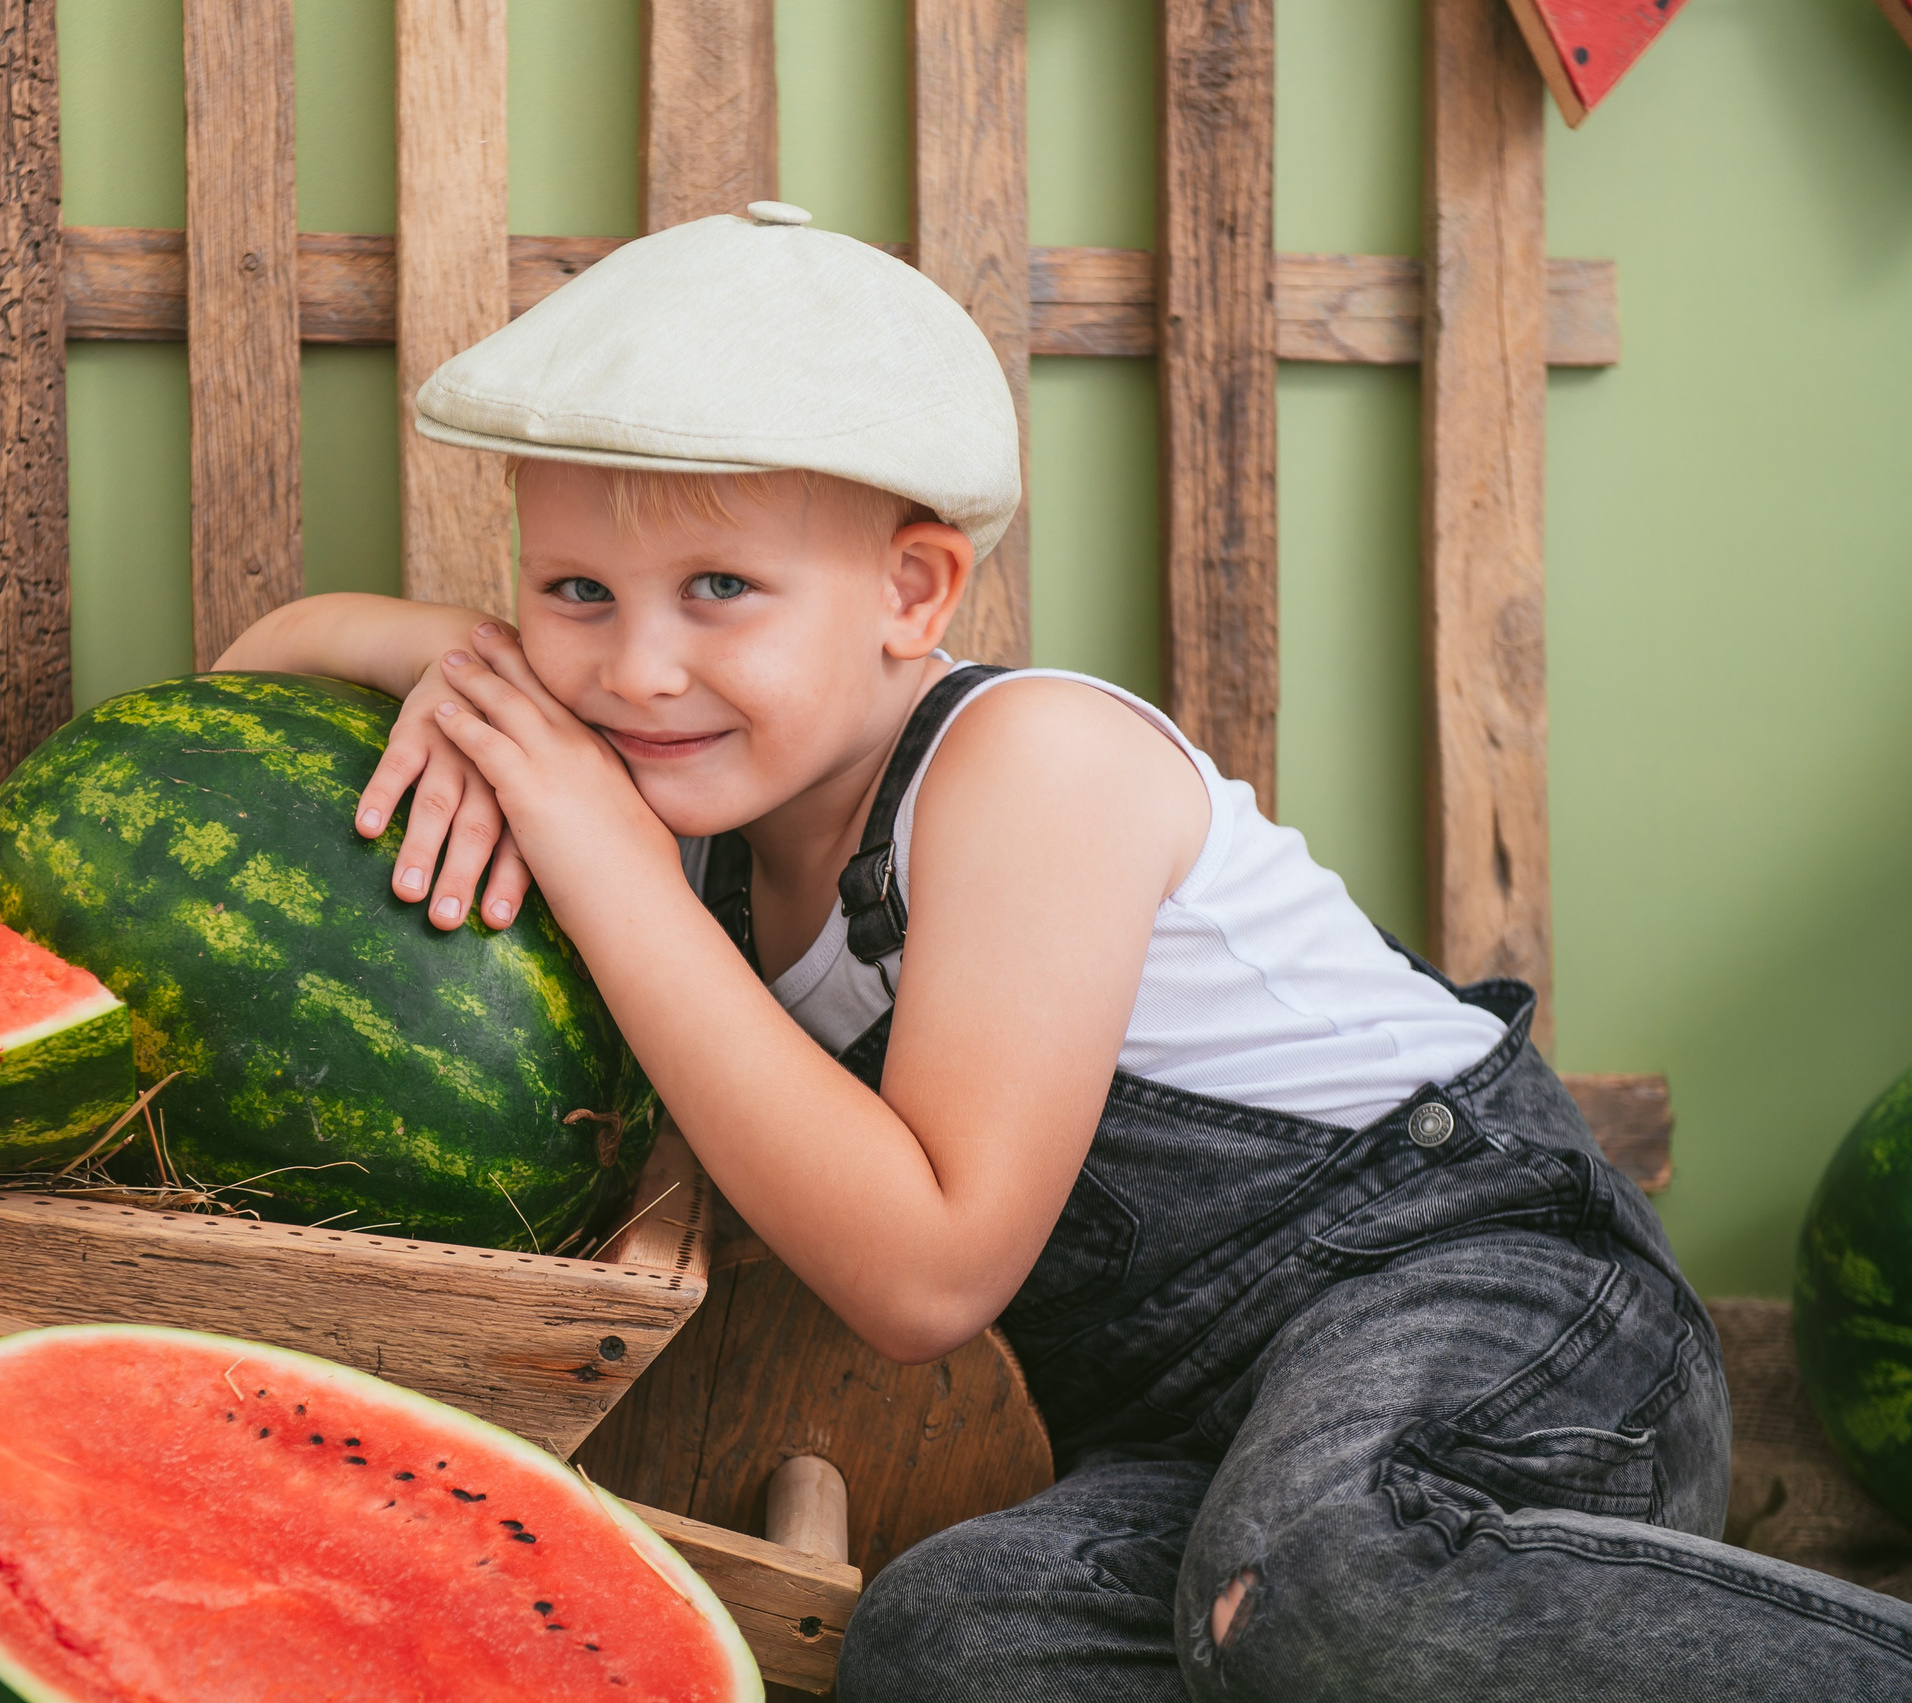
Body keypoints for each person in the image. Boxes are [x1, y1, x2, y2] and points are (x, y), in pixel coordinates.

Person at [217, 203, 1912, 1699]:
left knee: (1329, 1588)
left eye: (719, 587)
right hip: (1216, 1460)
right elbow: (261, 663)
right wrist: (459, 659)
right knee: (950, 1636)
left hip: (1503, 1336)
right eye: (574, 592)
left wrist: (608, 862)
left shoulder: (1029, 767)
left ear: (913, 593)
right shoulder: (698, 792)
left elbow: (929, 1274)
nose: (636, 672)